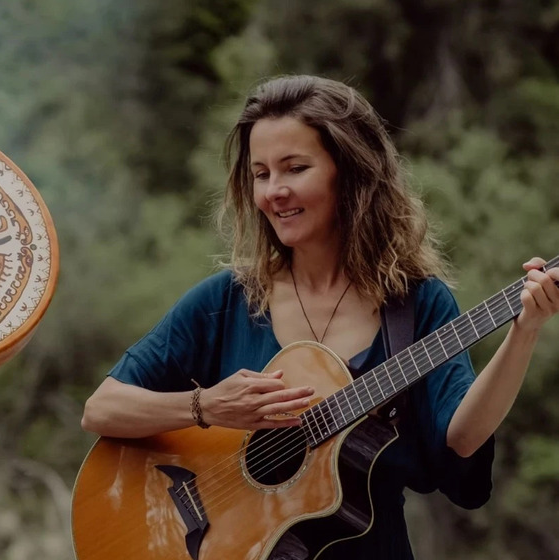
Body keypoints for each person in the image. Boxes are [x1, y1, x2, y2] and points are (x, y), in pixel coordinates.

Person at [81, 75, 559, 559]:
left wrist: (525, 330)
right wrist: (205, 407)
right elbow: (101, 409)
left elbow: (461, 437)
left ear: (348, 172)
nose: (274, 192)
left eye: (295, 168)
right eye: (261, 173)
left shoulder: (417, 305)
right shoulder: (226, 301)